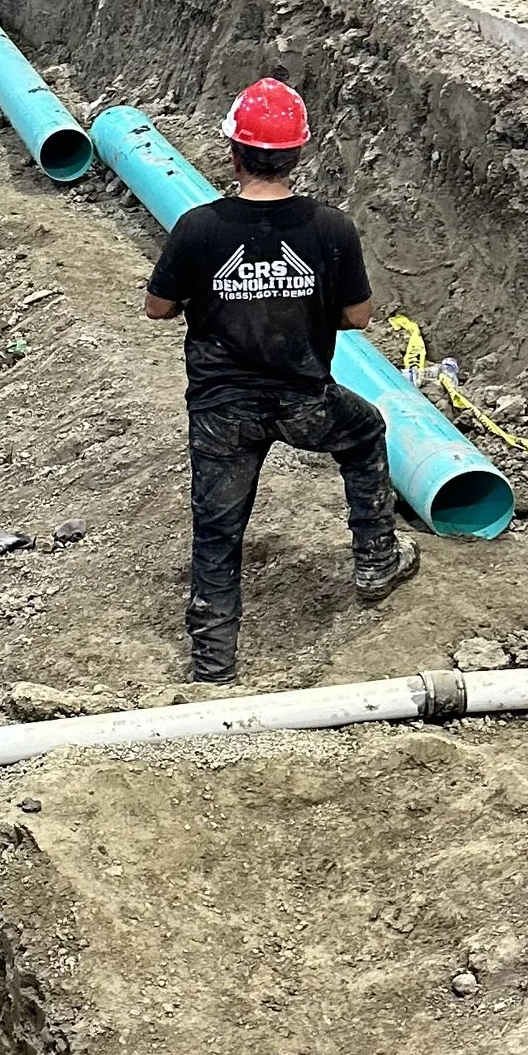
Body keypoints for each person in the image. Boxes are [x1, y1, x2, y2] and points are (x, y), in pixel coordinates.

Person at [143, 78, 419, 683]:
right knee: (365, 432)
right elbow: (358, 317)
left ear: (233, 152)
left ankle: (213, 665)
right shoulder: (330, 229)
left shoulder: (199, 229)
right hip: (303, 399)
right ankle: (376, 559)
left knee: (217, 528)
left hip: (222, 410)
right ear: (299, 154)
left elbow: (158, 308)